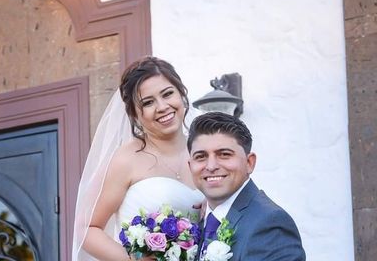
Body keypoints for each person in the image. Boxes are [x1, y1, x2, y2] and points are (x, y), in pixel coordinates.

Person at [72, 56, 203, 261]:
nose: (162, 107)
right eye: (148, 102)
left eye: (168, 94)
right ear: (135, 115)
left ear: (181, 94)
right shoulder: (126, 160)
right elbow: (87, 228)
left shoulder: (203, 152)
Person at [187, 112, 306, 261]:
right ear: (190, 166)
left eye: (224, 154)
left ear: (249, 163)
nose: (211, 166)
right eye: (201, 157)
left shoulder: (269, 224)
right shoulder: (195, 222)